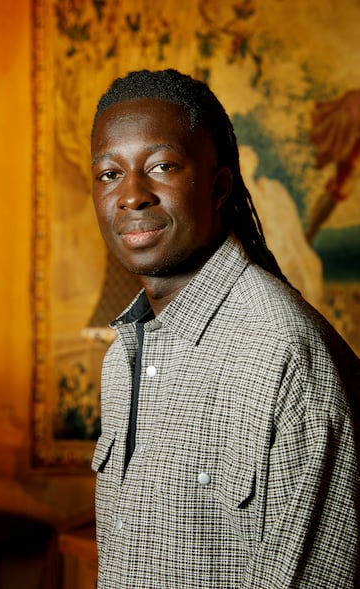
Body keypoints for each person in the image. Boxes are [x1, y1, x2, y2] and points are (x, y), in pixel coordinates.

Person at [90, 68, 360, 589]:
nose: (131, 195)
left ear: (219, 187)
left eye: (161, 165)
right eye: (108, 174)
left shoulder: (285, 357)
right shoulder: (122, 359)